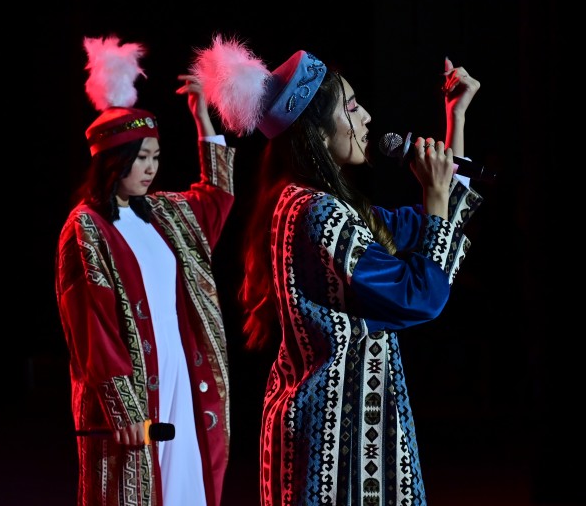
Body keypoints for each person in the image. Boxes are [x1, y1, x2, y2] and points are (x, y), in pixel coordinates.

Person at [196, 34, 483, 506]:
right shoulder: (315, 212)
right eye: (350, 107)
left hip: (351, 431)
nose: (366, 116)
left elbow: (433, 226)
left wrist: (457, 118)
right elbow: (420, 296)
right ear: (317, 131)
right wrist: (434, 195)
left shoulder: (325, 206)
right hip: (335, 441)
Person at [55, 33, 237, 506]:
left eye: (155, 157)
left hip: (180, 373)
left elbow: (216, 199)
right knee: (135, 488)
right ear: (114, 161)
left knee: (185, 484)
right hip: (134, 390)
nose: (151, 168)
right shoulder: (87, 227)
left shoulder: (165, 213)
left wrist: (202, 119)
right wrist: (123, 408)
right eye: (141, 158)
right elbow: (93, 326)